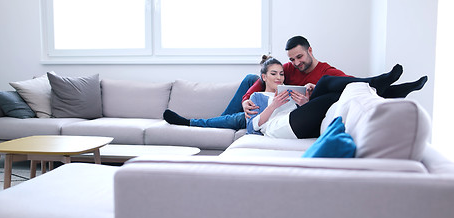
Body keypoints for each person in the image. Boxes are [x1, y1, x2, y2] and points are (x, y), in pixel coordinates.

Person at [164, 35, 348, 129]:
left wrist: (317, 90)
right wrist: (245, 100)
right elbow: (265, 77)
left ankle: (213, 123)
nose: (296, 63)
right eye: (292, 59)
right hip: (268, 107)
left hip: (286, 115)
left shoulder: (328, 73)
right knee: (251, 79)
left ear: (310, 50)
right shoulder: (288, 69)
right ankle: (219, 123)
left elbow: (350, 86)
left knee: (238, 119)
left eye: (299, 57)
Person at [247, 57, 428, 139]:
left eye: (281, 74)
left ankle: (386, 89)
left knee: (327, 86)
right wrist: (273, 106)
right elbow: (251, 127)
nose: (279, 77)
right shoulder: (257, 97)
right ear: (264, 77)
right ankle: (381, 86)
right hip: (282, 127)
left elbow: (305, 111)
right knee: (328, 89)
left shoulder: (289, 90)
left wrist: (305, 102)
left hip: (300, 120)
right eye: (273, 74)